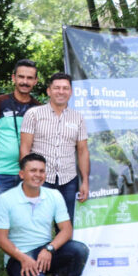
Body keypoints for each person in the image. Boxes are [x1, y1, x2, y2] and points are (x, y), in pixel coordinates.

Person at [0, 153, 90, 276]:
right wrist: (23, 258)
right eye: (33, 170)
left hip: (44, 251)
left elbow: (66, 230)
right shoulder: (5, 199)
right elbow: (1, 239)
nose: (38, 175)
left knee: (79, 250)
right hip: (19, 256)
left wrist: (49, 249)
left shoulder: (54, 195)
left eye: (41, 171)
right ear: (21, 174)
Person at [0, 59, 39, 276]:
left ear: (35, 81)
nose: (25, 81)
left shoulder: (38, 108)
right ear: (13, 78)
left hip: (27, 176)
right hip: (1, 173)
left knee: (25, 222)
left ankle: (25, 268)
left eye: (29, 78)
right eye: (21, 77)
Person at [20, 72, 89, 221]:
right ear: (49, 91)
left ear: (71, 92)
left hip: (68, 180)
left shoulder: (78, 118)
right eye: (57, 88)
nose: (61, 92)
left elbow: (83, 151)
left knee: (66, 223)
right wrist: (27, 178)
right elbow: (25, 148)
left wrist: (85, 181)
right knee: (37, 223)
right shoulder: (33, 114)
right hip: (39, 179)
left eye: (65, 88)